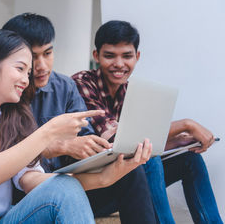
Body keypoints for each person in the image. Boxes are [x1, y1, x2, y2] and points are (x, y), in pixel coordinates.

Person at [0, 29, 152, 223]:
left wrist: (104, 179)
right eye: (20, 68)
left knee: (64, 186)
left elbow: (33, 181)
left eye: (28, 72)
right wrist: (49, 132)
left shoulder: (12, 119)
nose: (26, 79)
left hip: (6, 218)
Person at [2, 13, 157, 224]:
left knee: (132, 168)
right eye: (32, 57)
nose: (42, 66)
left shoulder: (64, 87)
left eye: (47, 53)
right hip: (23, 195)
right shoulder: (6, 94)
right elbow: (10, 160)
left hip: (69, 182)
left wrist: (92, 149)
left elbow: (86, 136)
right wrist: (60, 145)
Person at [72, 20, 223, 224]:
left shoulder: (129, 91)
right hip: (90, 189)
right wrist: (187, 124)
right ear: (96, 56)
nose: (119, 64)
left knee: (190, 159)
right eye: (109, 55)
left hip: (123, 182)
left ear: (137, 57)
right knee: (147, 158)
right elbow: (118, 139)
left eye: (127, 56)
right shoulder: (82, 83)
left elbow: (133, 144)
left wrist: (180, 142)